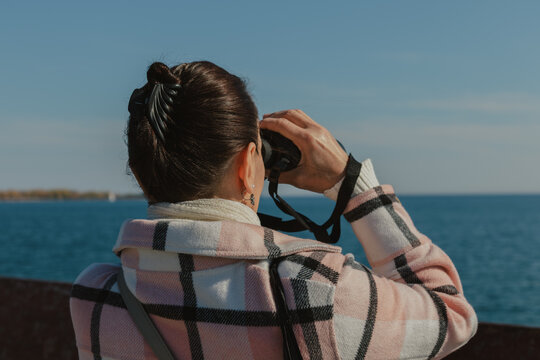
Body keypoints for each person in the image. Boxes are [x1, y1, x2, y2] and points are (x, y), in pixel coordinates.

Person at [70, 61, 477, 360]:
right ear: (249, 165)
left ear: (142, 172)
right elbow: (451, 314)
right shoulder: (312, 287)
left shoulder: (96, 295)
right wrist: (353, 185)